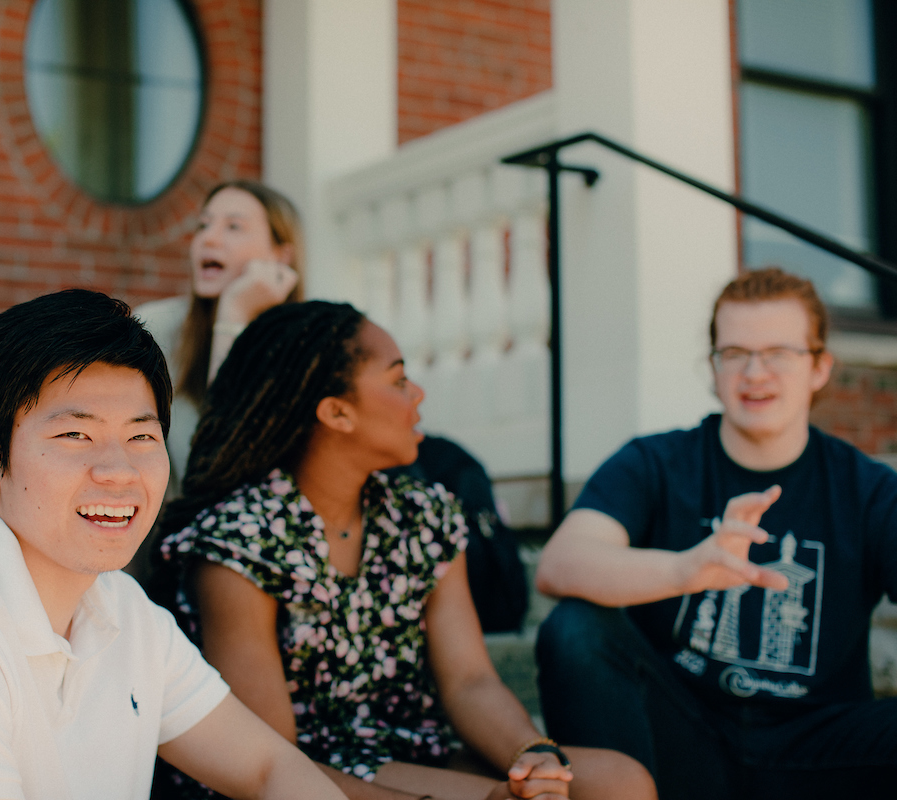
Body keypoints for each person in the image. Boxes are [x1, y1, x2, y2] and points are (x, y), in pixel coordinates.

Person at [0, 289, 350, 800]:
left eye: (141, 436)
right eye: (75, 435)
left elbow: (269, 768)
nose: (119, 471)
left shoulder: (126, 614)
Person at [157, 301, 656, 800]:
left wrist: (531, 757)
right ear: (336, 412)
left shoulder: (424, 515)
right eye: (398, 381)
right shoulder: (239, 542)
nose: (417, 394)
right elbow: (267, 760)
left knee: (620, 782)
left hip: (410, 750)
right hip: (303, 773)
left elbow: (470, 682)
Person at [533, 268, 897, 799]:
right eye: (734, 353)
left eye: (778, 353)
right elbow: (559, 564)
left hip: (819, 749)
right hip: (682, 739)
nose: (755, 372)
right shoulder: (655, 463)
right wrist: (685, 570)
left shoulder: (867, 489)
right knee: (575, 628)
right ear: (712, 368)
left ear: (819, 367)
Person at [135, 180, 302, 487]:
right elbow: (204, 473)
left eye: (234, 227)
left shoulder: (304, 346)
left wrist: (234, 315)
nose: (208, 239)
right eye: (203, 225)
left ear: (281, 255)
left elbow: (235, 467)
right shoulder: (155, 328)